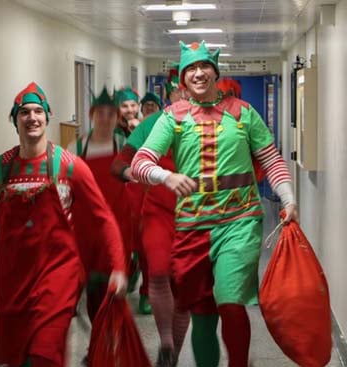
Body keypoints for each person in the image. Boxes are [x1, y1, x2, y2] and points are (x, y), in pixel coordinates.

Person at [131, 41, 299, 367]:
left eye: (204, 66)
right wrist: (165, 177)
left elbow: (272, 159)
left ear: (215, 71)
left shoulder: (243, 112)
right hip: (192, 225)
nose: (198, 73)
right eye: (190, 69)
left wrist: (288, 198)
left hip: (240, 221)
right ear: (183, 77)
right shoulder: (172, 117)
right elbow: (141, 162)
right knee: (203, 312)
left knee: (231, 302)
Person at [0, 82, 127, 367]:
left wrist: (118, 266)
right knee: (18, 357)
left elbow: (103, 217)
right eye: (25, 112)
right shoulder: (0, 168)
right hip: (12, 282)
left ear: (47, 117)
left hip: (58, 278)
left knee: (45, 354)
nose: (32, 117)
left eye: (38, 112)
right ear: (14, 119)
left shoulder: (69, 165)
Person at [112, 74, 189, 366]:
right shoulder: (151, 124)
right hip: (157, 211)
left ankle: (173, 353)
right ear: (170, 95)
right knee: (157, 272)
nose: (183, 97)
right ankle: (166, 342)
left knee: (184, 287)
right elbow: (120, 163)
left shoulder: (209, 124)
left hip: (196, 214)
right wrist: (136, 173)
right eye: (178, 92)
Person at [72, 86, 133, 323]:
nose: (105, 119)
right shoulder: (75, 149)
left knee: (115, 286)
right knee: (94, 288)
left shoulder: (124, 146)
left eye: (110, 114)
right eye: (101, 113)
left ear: (117, 118)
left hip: (119, 225)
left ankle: (108, 344)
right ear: (91, 115)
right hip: (87, 228)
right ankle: (98, 344)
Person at [114, 86, 152, 314]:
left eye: (132, 106)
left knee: (146, 245)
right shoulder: (109, 133)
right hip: (118, 195)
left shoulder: (147, 128)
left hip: (143, 194)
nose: (129, 110)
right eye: (124, 106)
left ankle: (147, 293)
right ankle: (131, 266)